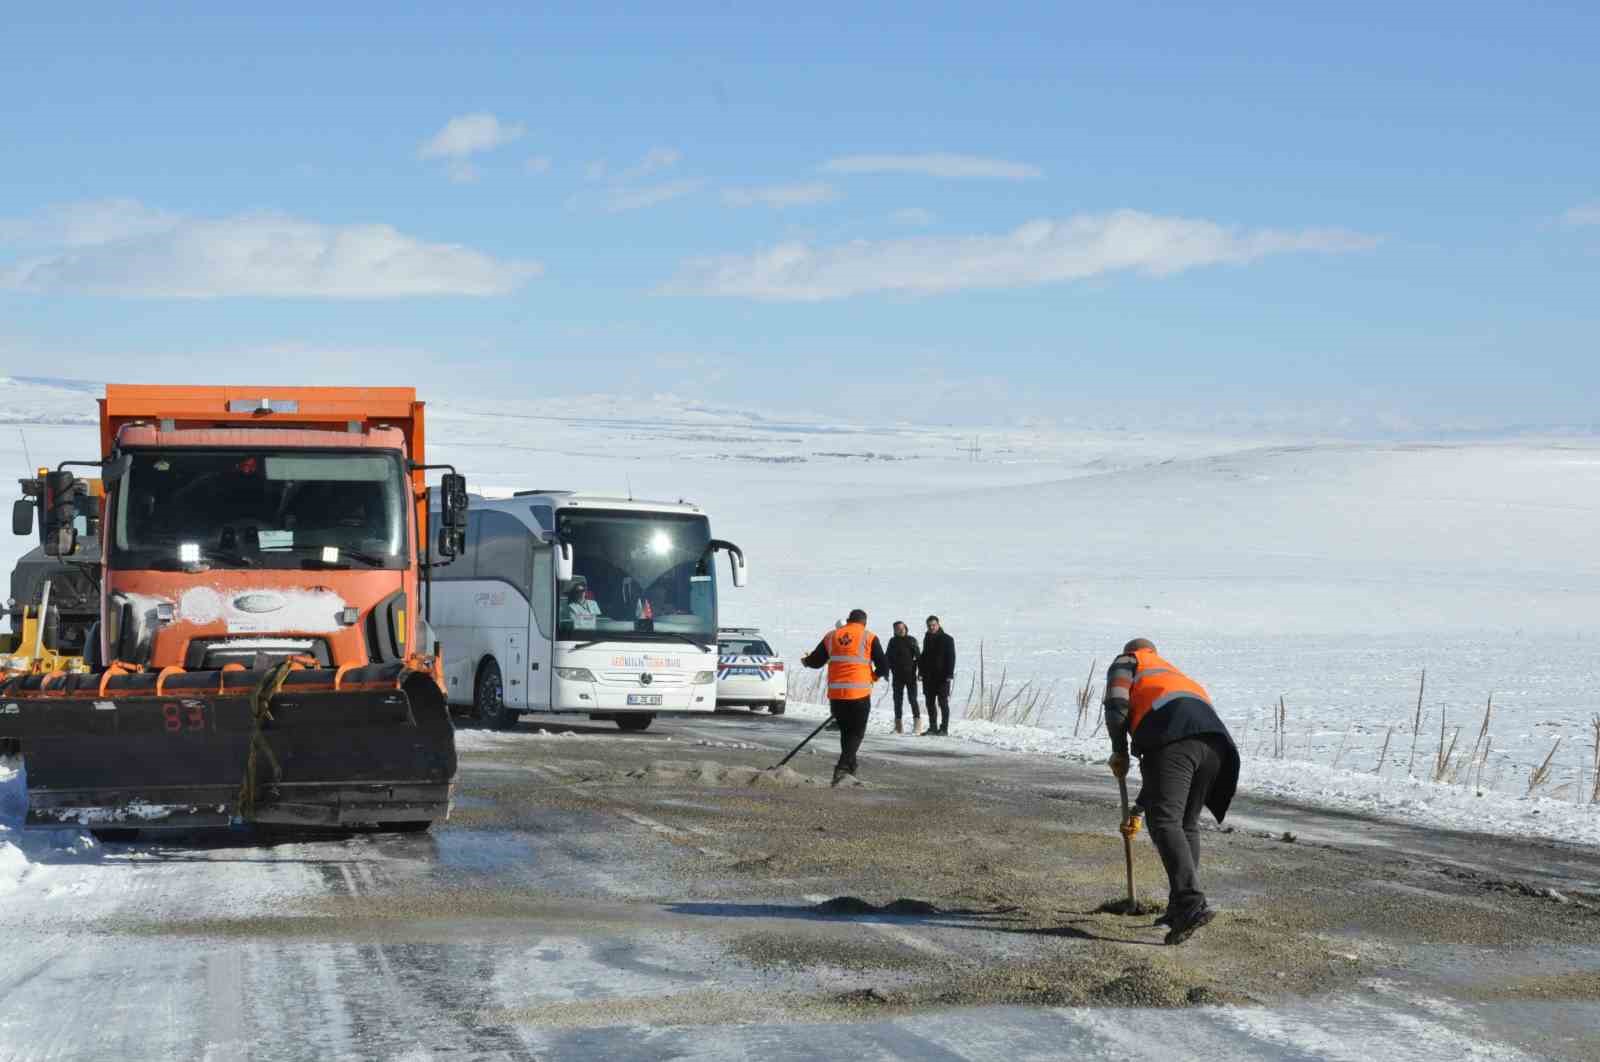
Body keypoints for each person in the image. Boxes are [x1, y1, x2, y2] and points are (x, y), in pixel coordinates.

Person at [1103, 638, 1240, 946]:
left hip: (1173, 738)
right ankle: (1181, 905)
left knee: (1165, 821)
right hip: (1216, 745)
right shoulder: (1171, 673)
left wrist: (1119, 750)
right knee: (1185, 823)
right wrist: (1138, 809)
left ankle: (1190, 902)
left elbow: (1116, 706)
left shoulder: (1128, 661)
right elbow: (1165, 776)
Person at [802, 608, 889, 785]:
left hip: (836, 695)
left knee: (846, 732)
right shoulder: (869, 637)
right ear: (864, 623)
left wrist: (806, 661)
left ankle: (851, 767)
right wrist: (873, 676)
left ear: (848, 620)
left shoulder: (831, 636)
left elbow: (816, 661)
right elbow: (884, 666)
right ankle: (842, 767)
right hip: (859, 694)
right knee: (856, 732)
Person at [918, 615, 955, 736]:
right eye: (929, 626)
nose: (931, 627)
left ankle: (944, 729)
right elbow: (924, 656)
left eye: (933, 625)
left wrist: (949, 674)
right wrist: (920, 672)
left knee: (943, 703)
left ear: (938, 625)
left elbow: (951, 657)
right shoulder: (927, 638)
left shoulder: (947, 639)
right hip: (928, 677)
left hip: (942, 677)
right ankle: (933, 727)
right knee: (929, 703)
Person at [885, 621, 922, 734]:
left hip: (910, 675)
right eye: (898, 629)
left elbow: (919, 657)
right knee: (897, 701)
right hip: (897, 676)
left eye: (902, 628)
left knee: (912, 699)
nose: (901, 630)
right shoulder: (892, 641)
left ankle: (917, 725)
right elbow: (887, 658)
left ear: (906, 628)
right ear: (894, 631)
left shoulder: (911, 640)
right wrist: (886, 672)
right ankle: (898, 727)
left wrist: (920, 672)